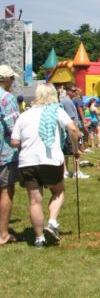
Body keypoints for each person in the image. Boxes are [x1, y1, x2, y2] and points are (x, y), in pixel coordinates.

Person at [10, 83, 81, 248]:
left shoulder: (25, 114)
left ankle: (39, 238)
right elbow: (72, 129)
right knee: (58, 191)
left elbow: (14, 141)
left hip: (27, 161)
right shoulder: (56, 111)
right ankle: (52, 221)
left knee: (35, 201)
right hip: (50, 160)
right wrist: (75, 150)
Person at [0, 65, 20, 245]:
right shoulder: (7, 98)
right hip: (4, 152)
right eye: (12, 78)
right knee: (6, 190)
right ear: (5, 79)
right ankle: (3, 234)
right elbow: (14, 128)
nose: (13, 81)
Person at [61, 84, 89, 179]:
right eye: (73, 90)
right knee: (75, 152)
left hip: (66, 131)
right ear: (68, 91)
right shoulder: (68, 102)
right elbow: (71, 118)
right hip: (70, 131)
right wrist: (77, 131)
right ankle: (77, 172)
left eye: (76, 90)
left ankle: (65, 172)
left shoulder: (65, 101)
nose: (75, 92)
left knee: (65, 153)